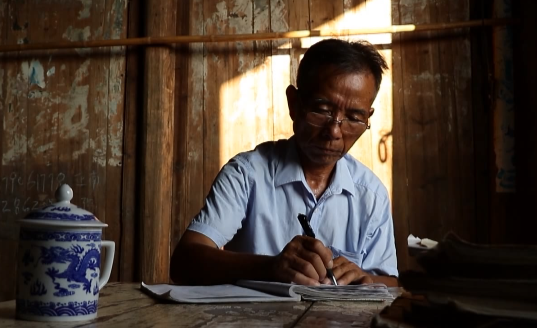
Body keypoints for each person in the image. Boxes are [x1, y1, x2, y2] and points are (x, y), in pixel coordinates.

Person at [170, 38, 398, 287]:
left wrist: (368, 280)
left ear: (368, 118)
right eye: (322, 110)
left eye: (354, 117)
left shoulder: (371, 194)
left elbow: (390, 281)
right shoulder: (247, 175)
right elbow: (184, 262)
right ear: (294, 104)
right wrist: (270, 267)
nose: (334, 131)